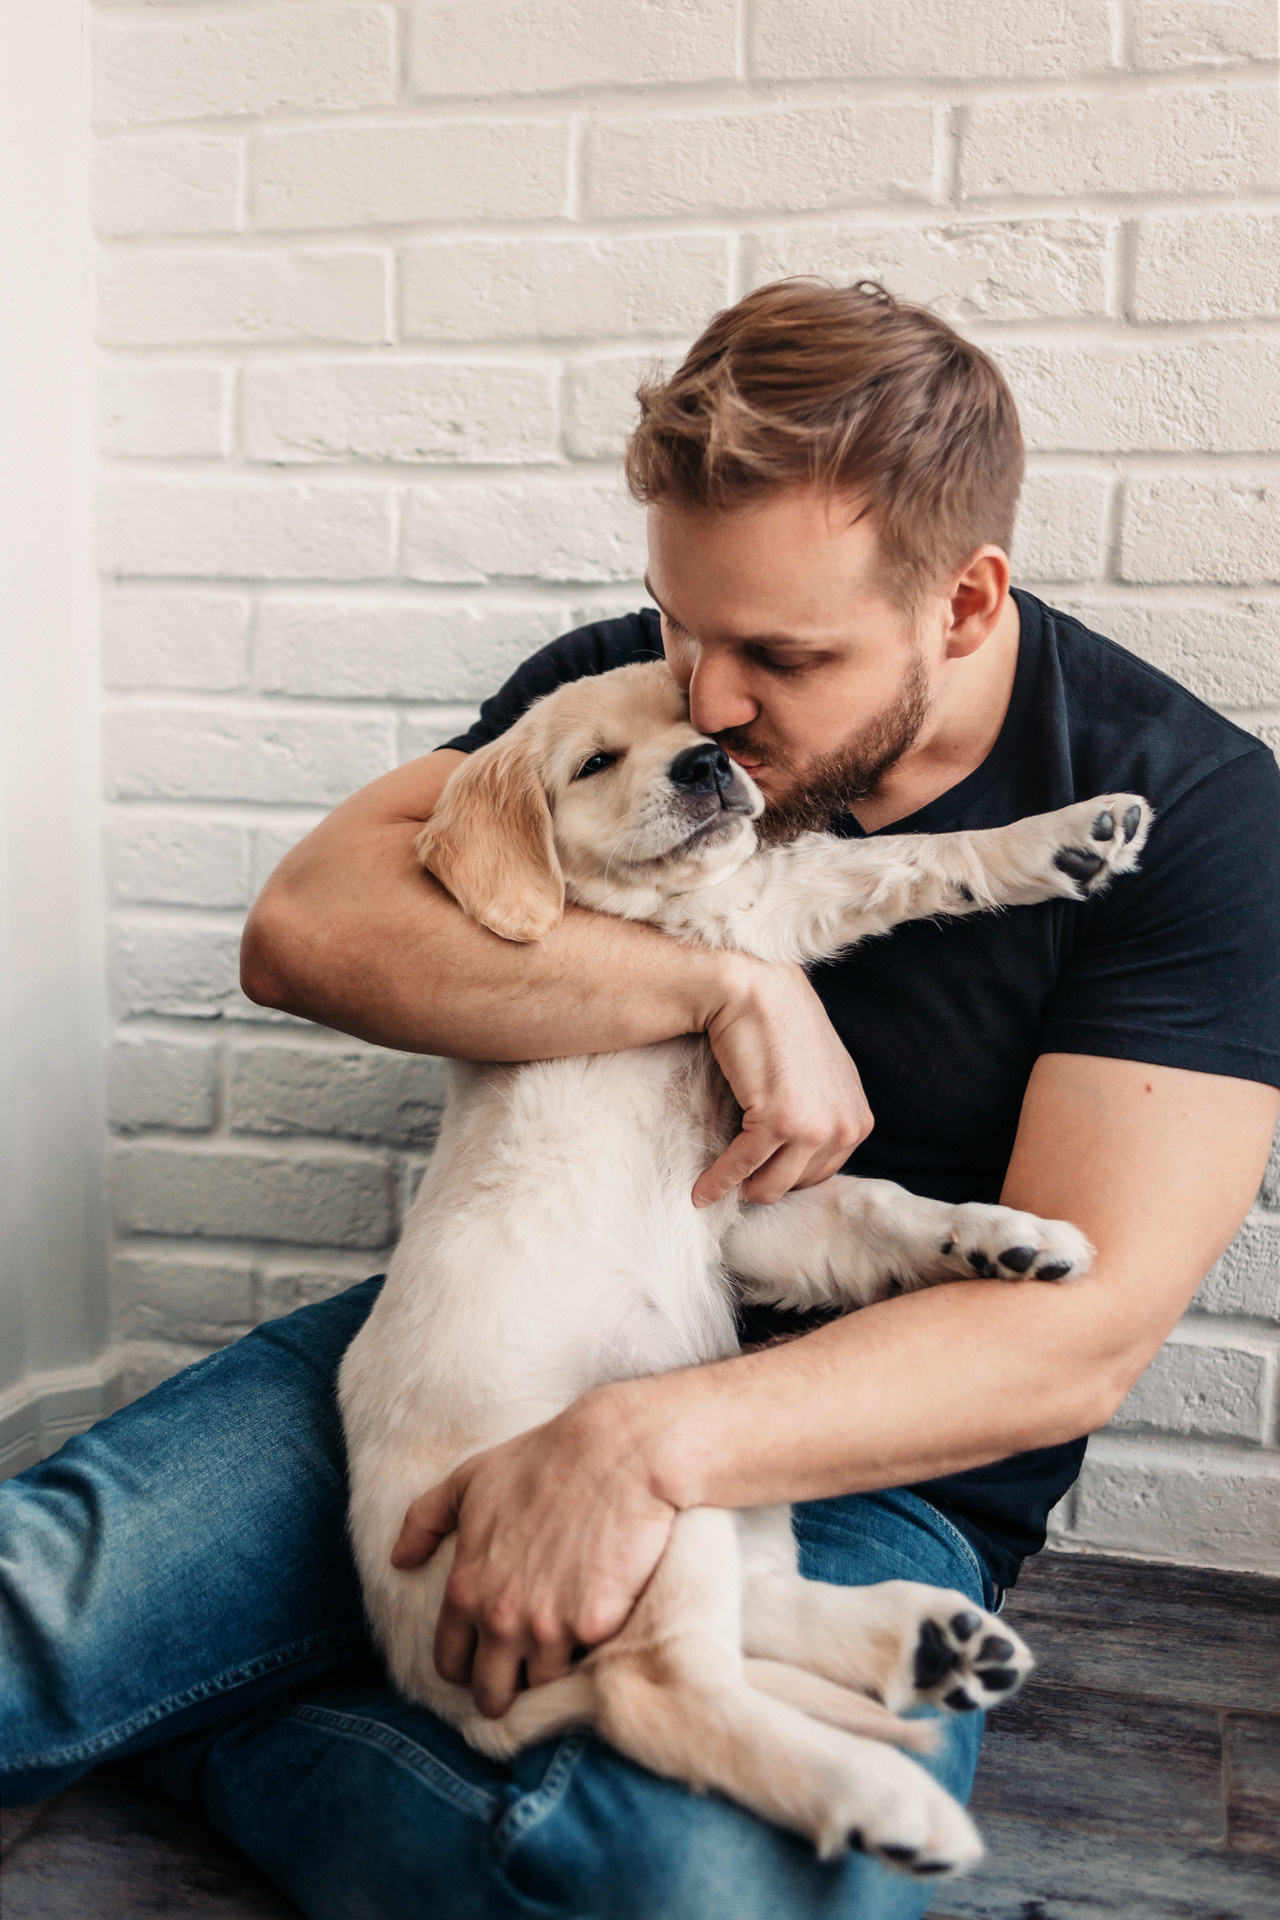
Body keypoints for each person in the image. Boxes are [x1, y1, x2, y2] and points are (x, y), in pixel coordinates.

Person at [3, 281, 1278, 1920]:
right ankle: (197, 1682)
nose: (712, 703)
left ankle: (215, 1732)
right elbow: (308, 929)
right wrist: (727, 986)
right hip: (494, 1332)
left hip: (851, 1462)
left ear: (964, 603)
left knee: (718, 1882)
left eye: (781, 655)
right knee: (35, 1617)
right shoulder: (630, 693)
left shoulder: (1192, 808)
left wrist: (640, 1446)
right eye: (683, 624)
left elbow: (1072, 1330)